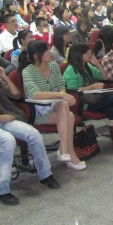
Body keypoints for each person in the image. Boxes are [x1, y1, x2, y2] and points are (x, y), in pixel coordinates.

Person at [0, 54, 60, 205]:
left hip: (2, 116)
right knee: (7, 140)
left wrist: (5, 77)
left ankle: (45, 174)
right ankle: (0, 190)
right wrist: (0, 118)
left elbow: (16, 94)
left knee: (33, 133)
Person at [64, 43, 113, 154]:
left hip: (94, 99)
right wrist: (92, 87)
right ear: (79, 55)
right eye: (87, 52)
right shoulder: (71, 70)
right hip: (83, 103)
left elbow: (105, 77)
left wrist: (97, 64)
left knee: (112, 110)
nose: (90, 53)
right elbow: (71, 90)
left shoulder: (88, 66)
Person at [19, 41, 86, 170]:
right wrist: (61, 95)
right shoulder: (28, 71)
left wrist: (61, 94)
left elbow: (61, 86)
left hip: (56, 105)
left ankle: (64, 150)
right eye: (46, 50)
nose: (50, 53)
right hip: (37, 110)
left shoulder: (54, 66)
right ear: (36, 55)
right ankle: (69, 153)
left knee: (63, 104)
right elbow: (36, 94)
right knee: (70, 116)